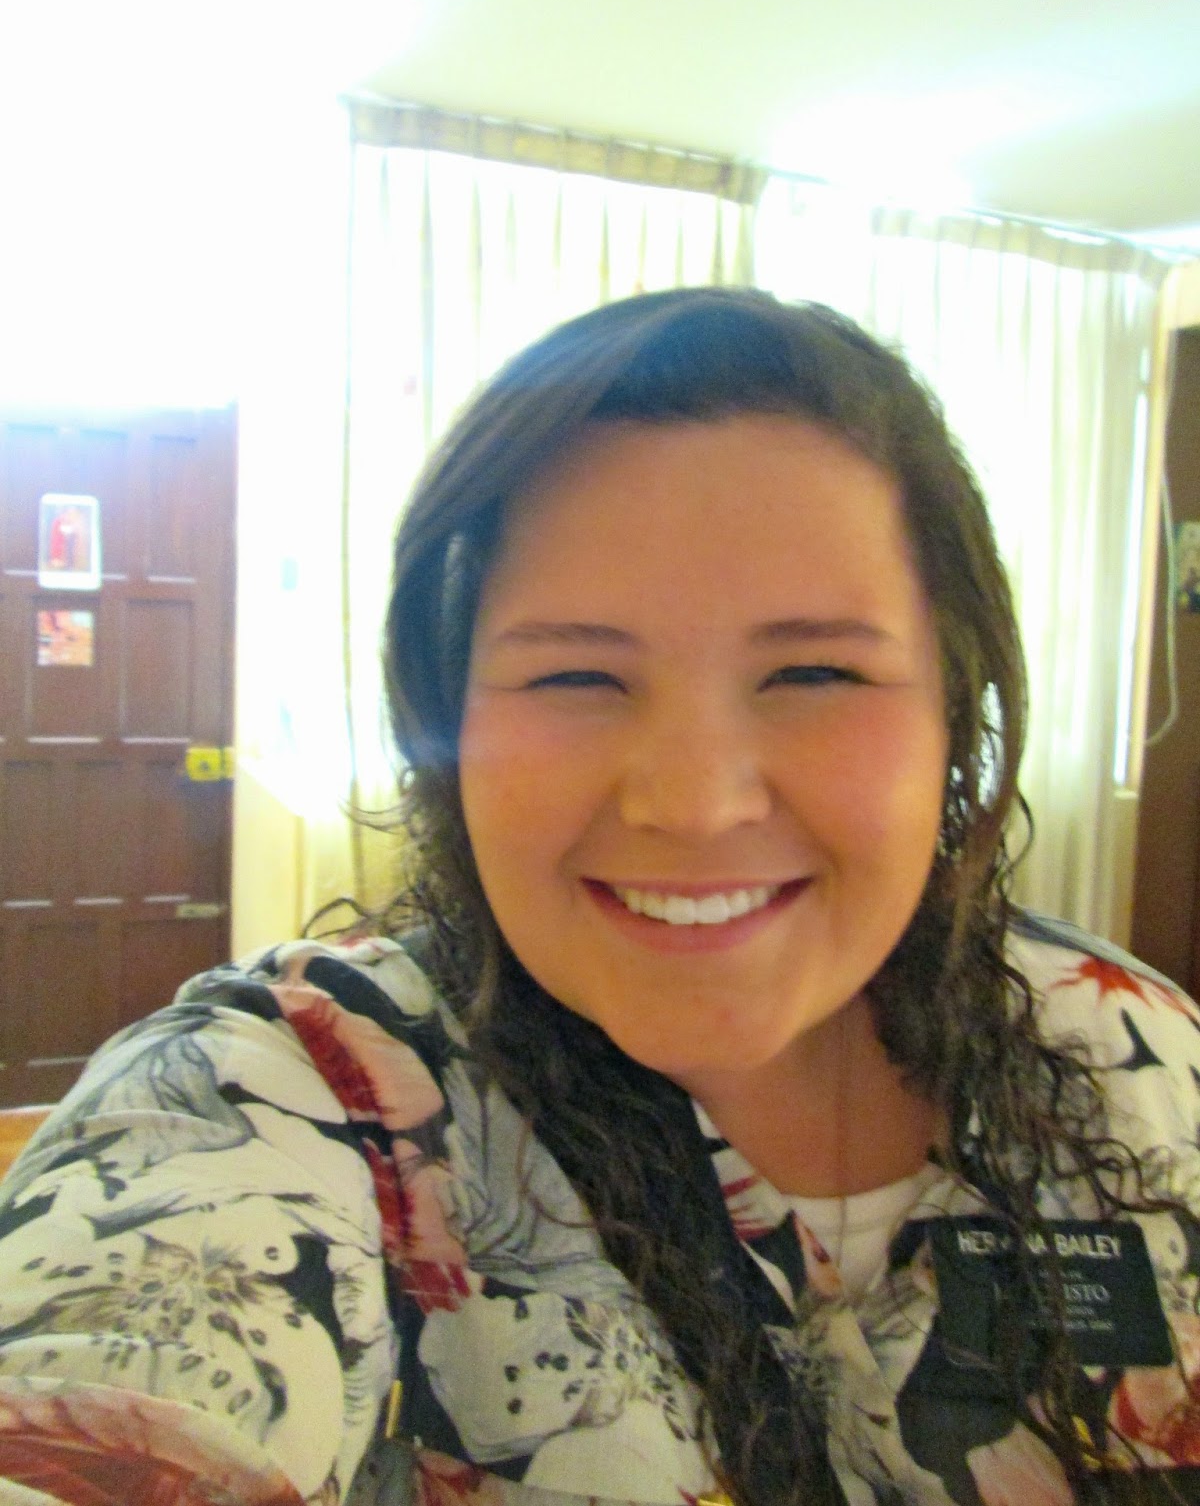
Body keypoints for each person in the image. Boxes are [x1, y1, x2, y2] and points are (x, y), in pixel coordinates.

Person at [0, 288, 1198, 1506]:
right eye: (577, 675)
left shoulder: (1135, 1051)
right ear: (448, 721)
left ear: (957, 705)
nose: (695, 802)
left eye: (813, 671)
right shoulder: (280, 1096)